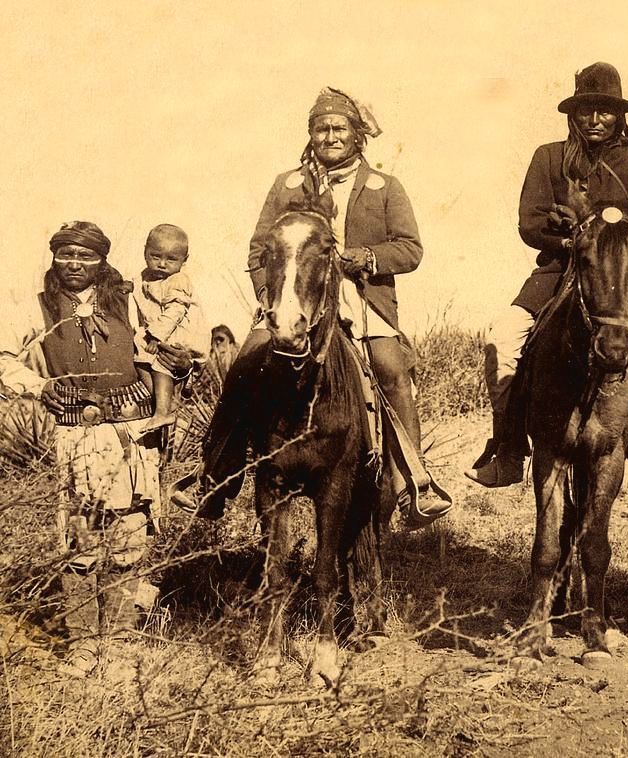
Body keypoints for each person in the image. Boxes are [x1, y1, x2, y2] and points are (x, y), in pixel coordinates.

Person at [185, 86, 435, 518]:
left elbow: (410, 248)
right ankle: (215, 478)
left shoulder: (383, 186)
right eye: (321, 129)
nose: (330, 136)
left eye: (340, 128)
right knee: (244, 365)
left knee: (391, 369)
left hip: (361, 300)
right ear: (311, 134)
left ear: (358, 135)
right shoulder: (288, 185)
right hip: (293, 300)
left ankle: (415, 482)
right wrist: (271, 299)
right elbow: (259, 249)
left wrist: (369, 258)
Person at [465, 62, 628, 494]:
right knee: (503, 341)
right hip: (554, 274)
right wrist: (570, 238)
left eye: (605, 110)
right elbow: (530, 220)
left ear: (620, 115)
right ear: (573, 114)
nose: (595, 119)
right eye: (586, 110)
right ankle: (507, 448)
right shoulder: (548, 157)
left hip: (617, 285)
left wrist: (617, 243)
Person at [0, 221, 192, 677]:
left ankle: (120, 643)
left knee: (128, 539)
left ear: (101, 261)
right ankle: (84, 644)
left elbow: (166, 348)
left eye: (85, 256)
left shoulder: (132, 300)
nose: (75, 264)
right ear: (55, 259)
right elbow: (4, 357)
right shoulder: (38, 307)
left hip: (130, 436)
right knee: (81, 541)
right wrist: (37, 385)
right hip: (76, 440)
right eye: (66, 255)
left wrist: (178, 363)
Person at [133, 224, 208, 432]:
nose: (162, 264)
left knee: (160, 363)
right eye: (155, 256)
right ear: (145, 252)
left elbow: (175, 311)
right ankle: (163, 404)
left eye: (171, 259)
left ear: (185, 260)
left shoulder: (178, 279)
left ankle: (162, 412)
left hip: (178, 332)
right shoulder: (145, 277)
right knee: (140, 356)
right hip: (161, 331)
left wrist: (156, 337)